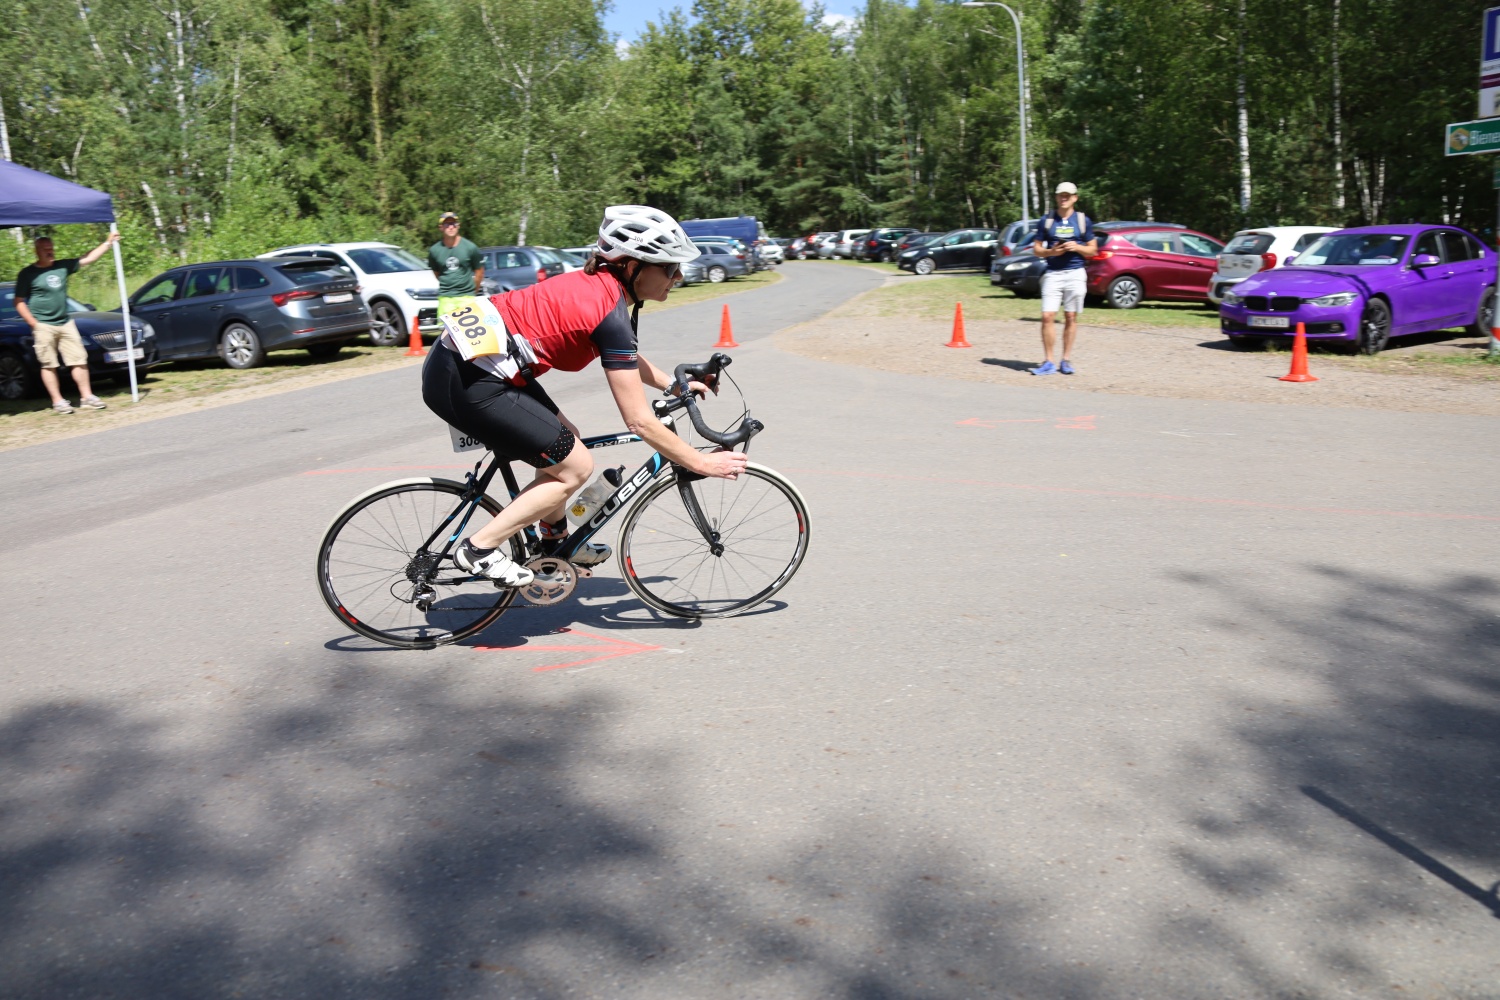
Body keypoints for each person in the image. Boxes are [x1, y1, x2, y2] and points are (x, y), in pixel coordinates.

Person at [421, 205, 748, 587]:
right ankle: (478, 549)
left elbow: (622, 355)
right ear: (632, 266)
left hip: (467, 363)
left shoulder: (598, 287)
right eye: (670, 267)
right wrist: (702, 462)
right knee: (575, 467)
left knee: (566, 440)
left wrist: (671, 385)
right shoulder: (608, 311)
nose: (678, 276)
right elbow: (639, 421)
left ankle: (554, 538)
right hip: (471, 379)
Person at [14, 231, 120, 413]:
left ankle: (87, 397)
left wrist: (108, 242)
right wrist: (33, 323)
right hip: (43, 325)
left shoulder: (62, 267)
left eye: (51, 248)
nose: (50, 252)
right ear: (37, 251)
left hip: (65, 322)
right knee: (49, 364)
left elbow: (87, 259)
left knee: (79, 359)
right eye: (45, 249)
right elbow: (19, 301)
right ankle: (58, 401)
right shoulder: (27, 274)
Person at [1029, 182, 1097, 376]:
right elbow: (1036, 249)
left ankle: (1065, 360)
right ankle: (1048, 361)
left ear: (1075, 198)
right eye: (1061, 195)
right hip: (1053, 273)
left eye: (1068, 195)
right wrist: (1051, 252)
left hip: (1075, 273)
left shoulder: (1083, 220)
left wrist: (1077, 247)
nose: (1064, 198)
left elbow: (1093, 250)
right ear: (1056, 197)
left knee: (1070, 316)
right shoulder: (1047, 220)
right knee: (1047, 316)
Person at [427, 212, 485, 317]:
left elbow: (479, 271)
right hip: (445, 298)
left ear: (458, 226)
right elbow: (437, 273)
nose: (450, 227)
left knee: (469, 326)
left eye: (453, 223)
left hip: (466, 297)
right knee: (445, 327)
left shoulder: (470, 247)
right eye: (446, 224)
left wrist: (473, 291)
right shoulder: (434, 250)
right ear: (441, 227)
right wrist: (449, 284)